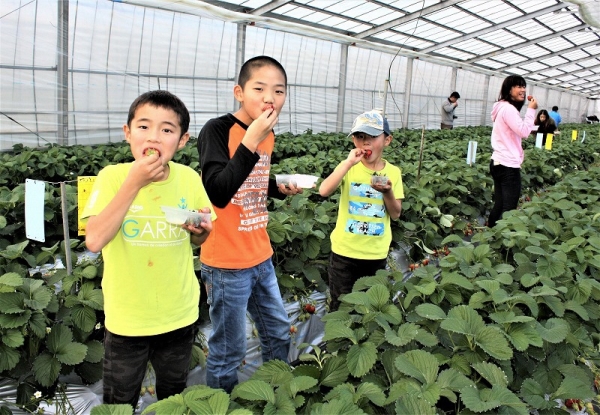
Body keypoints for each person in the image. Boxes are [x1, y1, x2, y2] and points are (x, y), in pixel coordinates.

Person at [82, 90, 215, 407]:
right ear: (127, 133)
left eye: (167, 130)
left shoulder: (188, 178)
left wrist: (200, 233)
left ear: (182, 141)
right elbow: (94, 240)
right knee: (119, 402)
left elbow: (200, 239)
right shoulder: (112, 177)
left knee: (174, 396)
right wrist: (134, 182)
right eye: (144, 127)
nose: (154, 137)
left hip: (179, 315)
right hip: (127, 319)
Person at [197, 55, 302, 393]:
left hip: (261, 256)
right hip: (227, 265)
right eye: (259, 88)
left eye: (279, 91)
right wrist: (249, 141)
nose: (270, 97)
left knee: (277, 331)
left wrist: (277, 187)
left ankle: (276, 395)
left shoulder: (266, 134)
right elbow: (217, 192)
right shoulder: (218, 130)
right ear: (239, 92)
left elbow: (250, 182)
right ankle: (220, 404)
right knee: (229, 350)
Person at [319, 110, 403, 311]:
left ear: (387, 140)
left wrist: (388, 192)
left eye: (372, 137)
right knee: (341, 307)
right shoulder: (348, 167)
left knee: (371, 308)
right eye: (359, 136)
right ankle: (340, 340)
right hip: (344, 253)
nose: (365, 142)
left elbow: (396, 213)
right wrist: (347, 163)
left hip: (375, 254)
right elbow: (324, 190)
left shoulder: (392, 173)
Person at [487, 75, 537, 228]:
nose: (522, 89)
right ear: (509, 90)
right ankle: (501, 242)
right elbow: (523, 132)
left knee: (500, 204)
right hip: (508, 165)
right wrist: (531, 110)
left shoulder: (501, 106)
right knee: (509, 209)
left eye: (523, 86)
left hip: (497, 162)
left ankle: (490, 235)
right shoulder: (508, 109)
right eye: (518, 86)